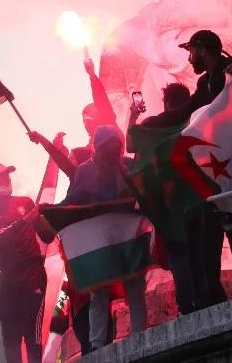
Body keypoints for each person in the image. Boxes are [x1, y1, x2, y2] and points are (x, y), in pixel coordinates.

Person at [145, 29, 232, 298]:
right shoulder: (205, 84)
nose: (189, 59)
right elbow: (185, 110)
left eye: (190, 52)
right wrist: (151, 123)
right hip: (225, 158)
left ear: (202, 49)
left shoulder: (231, 66)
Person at [61, 126, 147, 350]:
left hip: (127, 237)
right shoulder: (85, 172)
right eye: (107, 148)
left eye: (115, 147)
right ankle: (97, 345)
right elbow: (74, 198)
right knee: (98, 292)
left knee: (134, 286)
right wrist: (54, 210)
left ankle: (140, 337)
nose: (112, 152)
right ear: (97, 150)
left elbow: (143, 191)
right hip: (99, 242)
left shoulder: (127, 165)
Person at [126, 82, 208, 315]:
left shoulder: (153, 124)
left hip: (169, 202)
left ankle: (187, 307)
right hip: (194, 197)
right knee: (195, 253)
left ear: (166, 102)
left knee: (178, 253)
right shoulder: (196, 120)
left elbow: (131, 144)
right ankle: (202, 303)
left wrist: (132, 116)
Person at [0, 163, 45, 363]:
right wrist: (25, 221)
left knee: (33, 334)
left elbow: (47, 235)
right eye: (2, 176)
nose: (8, 180)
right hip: (8, 277)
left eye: (8, 176)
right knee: (10, 337)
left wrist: (53, 215)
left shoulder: (26, 201)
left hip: (33, 272)